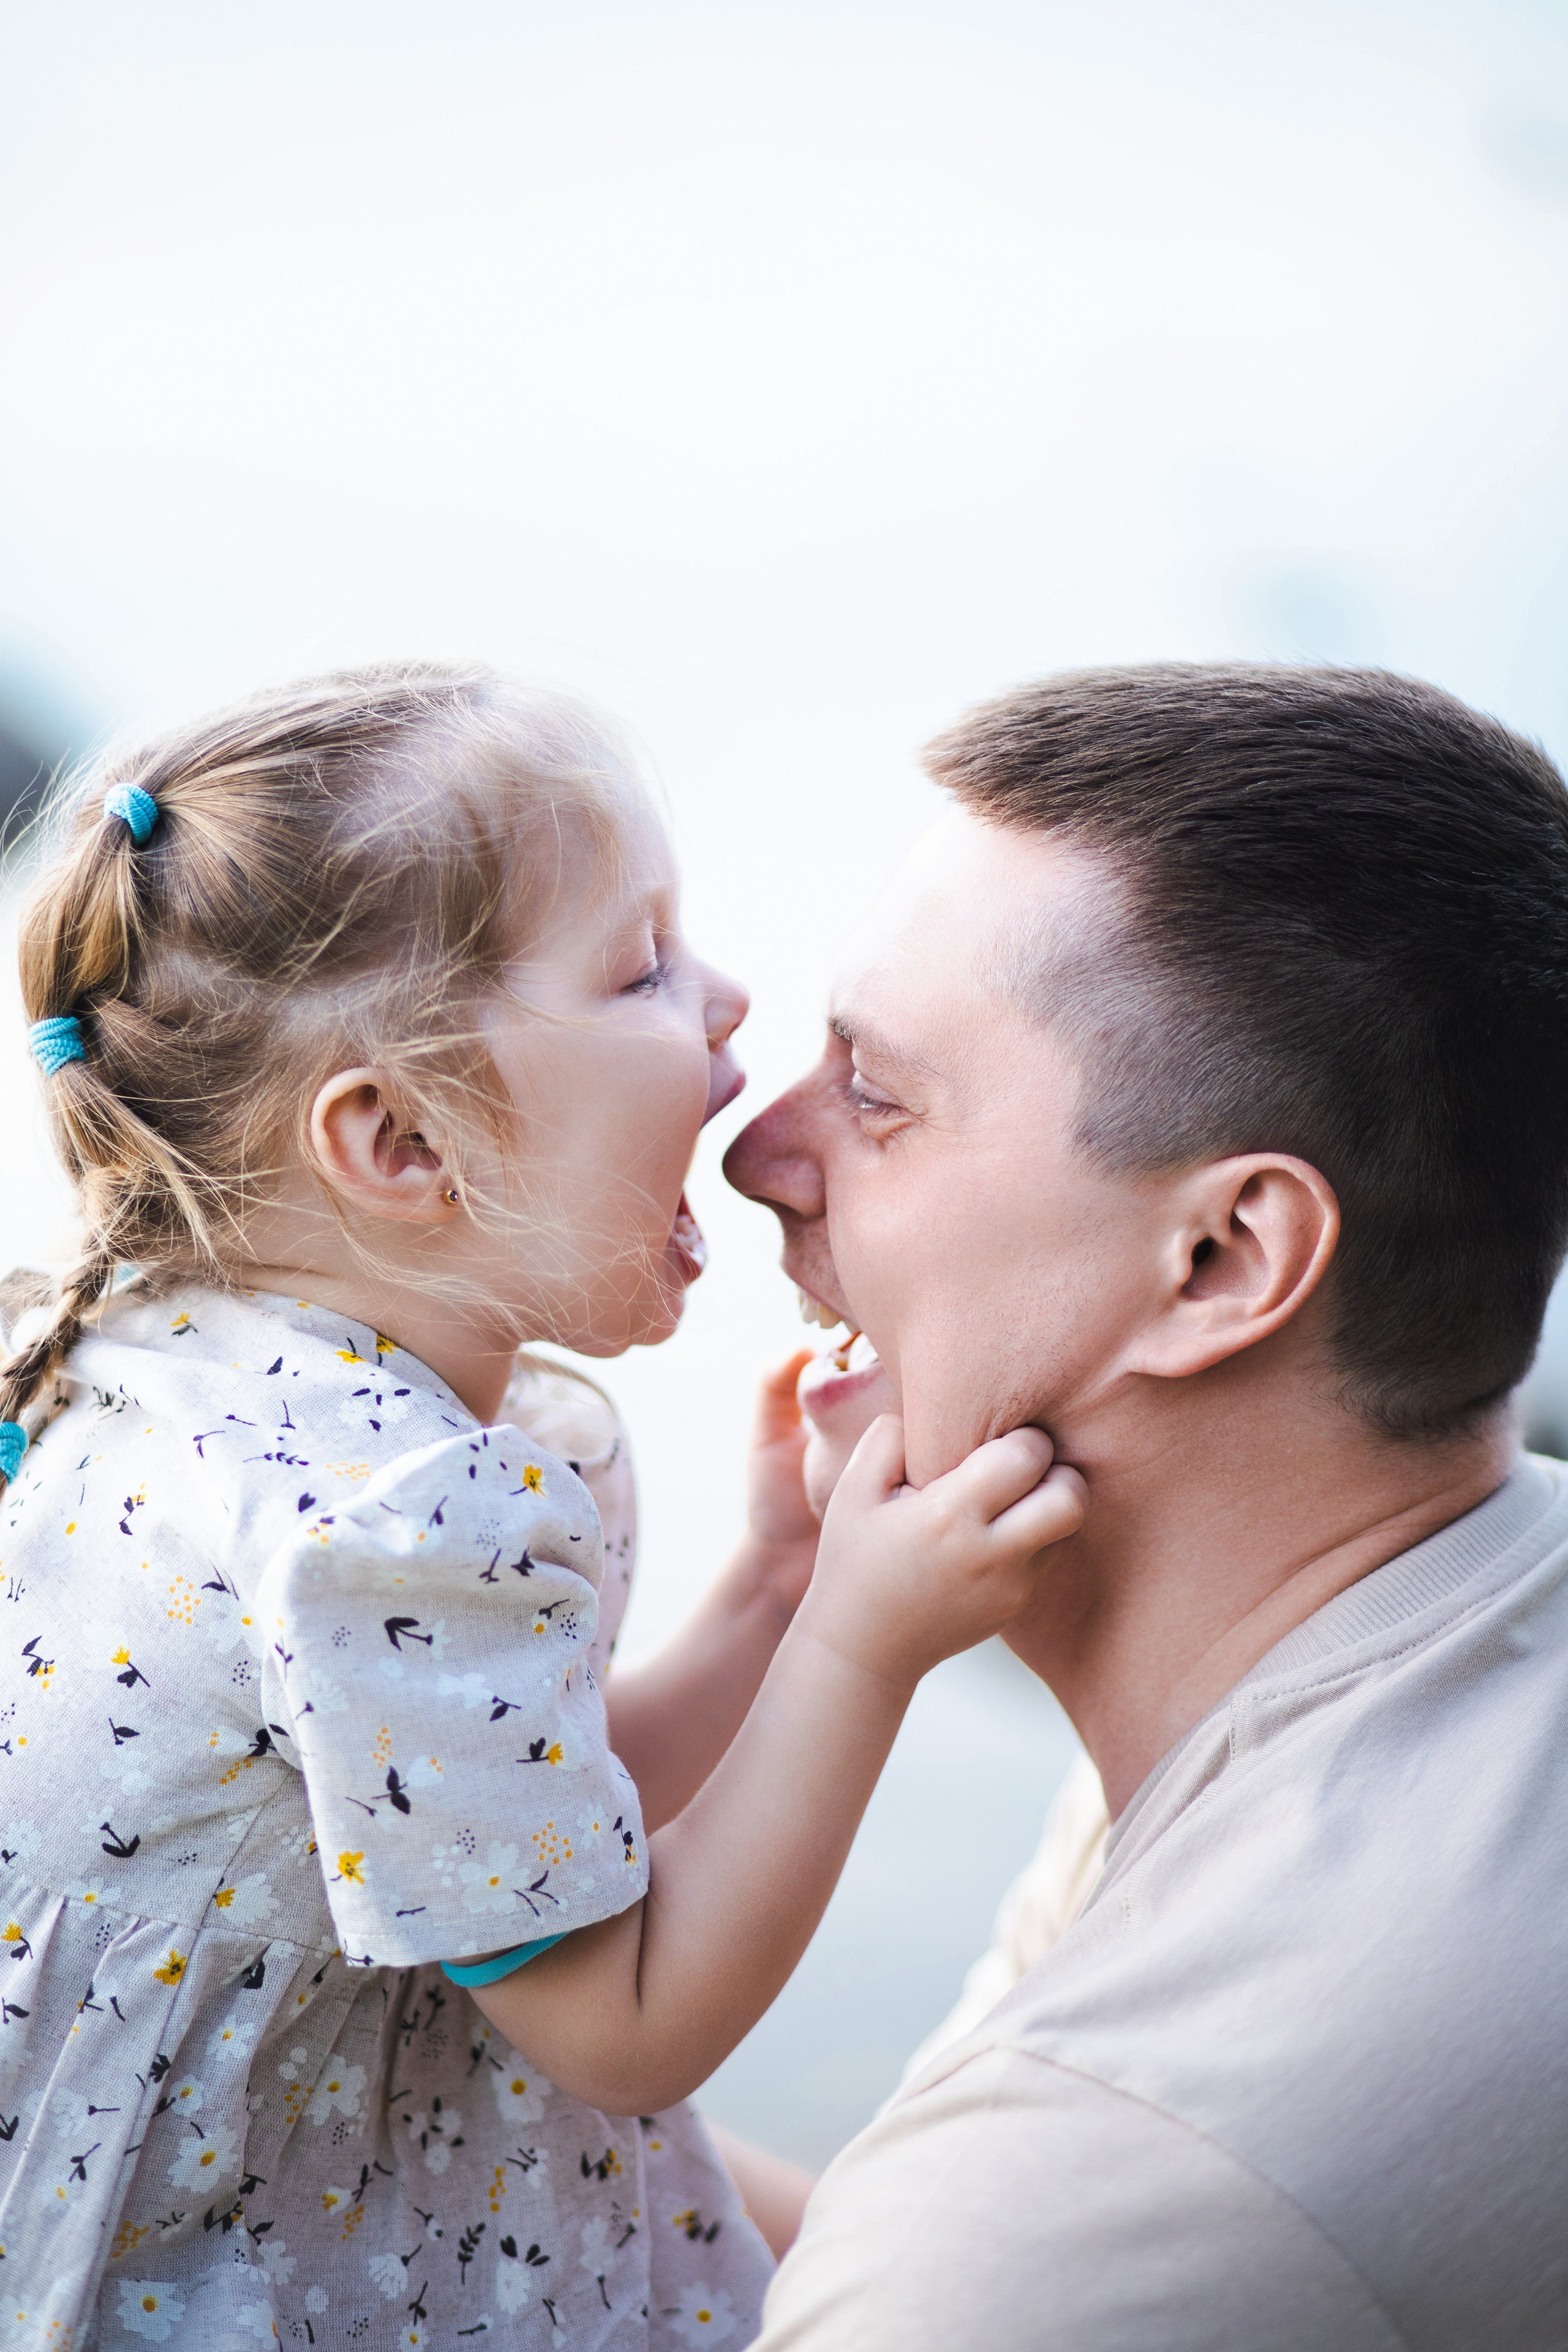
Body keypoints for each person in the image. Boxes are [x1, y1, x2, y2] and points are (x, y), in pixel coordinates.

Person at [0, 663, 1087, 2350]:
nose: (728, 1000)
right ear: (403, 1144)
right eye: (640, 963)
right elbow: (624, 2025)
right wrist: (865, 1650)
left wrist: (767, 1605)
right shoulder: (389, 1515)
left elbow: (490, 1848)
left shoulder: (168, 1356)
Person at [725, 663, 1568, 2350]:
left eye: (877, 1093)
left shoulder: (1140, 2140)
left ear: (1221, 1262)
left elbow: (1020, 2252)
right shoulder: (1406, 1662)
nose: (756, 1150)